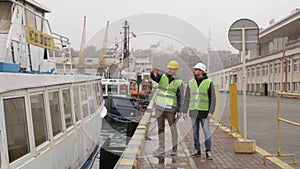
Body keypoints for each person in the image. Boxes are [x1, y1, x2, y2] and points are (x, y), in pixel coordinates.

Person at [182, 62, 216, 160]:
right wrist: (184, 111)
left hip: (204, 112)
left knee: (206, 132)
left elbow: (212, 98)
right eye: (194, 69)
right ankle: (197, 150)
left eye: (196, 70)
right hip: (193, 112)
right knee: (195, 132)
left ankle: (208, 150)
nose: (194, 71)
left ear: (201, 71)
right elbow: (187, 97)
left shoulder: (209, 82)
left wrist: (211, 111)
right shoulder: (191, 82)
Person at [151, 60, 184, 156]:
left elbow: (181, 96)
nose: (169, 70)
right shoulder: (162, 77)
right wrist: (153, 73)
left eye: (172, 68)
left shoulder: (179, 82)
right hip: (160, 107)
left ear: (176, 70)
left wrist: (179, 110)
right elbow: (154, 77)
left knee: (173, 128)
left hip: (171, 109)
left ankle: (174, 148)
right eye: (169, 68)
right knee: (160, 128)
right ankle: (161, 147)